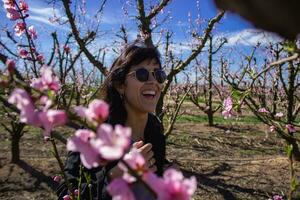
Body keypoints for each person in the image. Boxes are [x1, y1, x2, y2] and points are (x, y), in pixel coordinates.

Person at [56, 42, 169, 200]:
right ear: (120, 85)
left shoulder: (154, 128)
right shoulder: (94, 130)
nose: (153, 81)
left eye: (159, 75)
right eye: (142, 74)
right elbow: (65, 190)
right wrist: (116, 176)